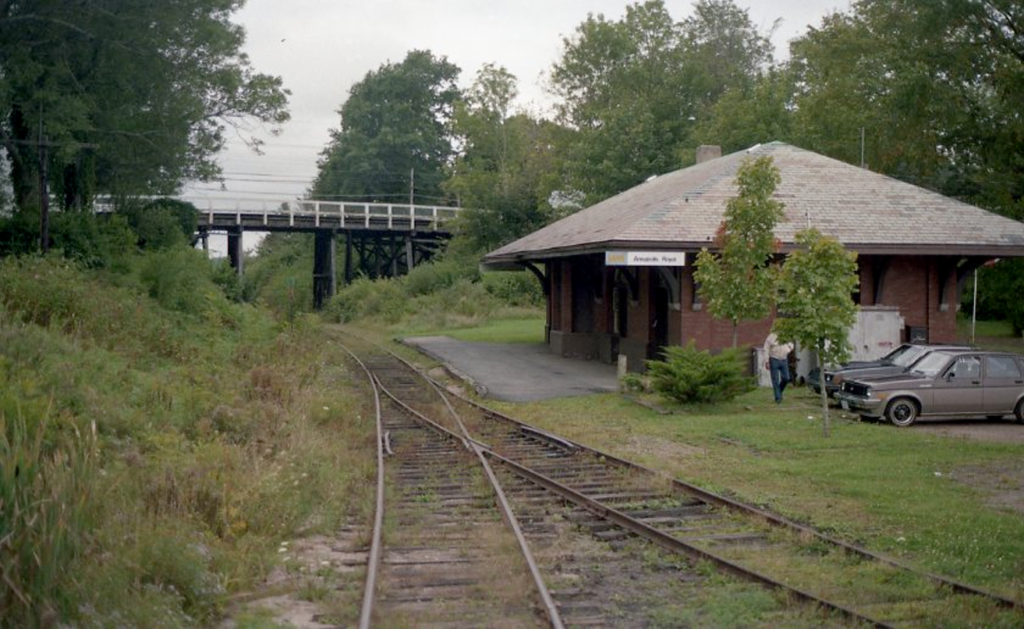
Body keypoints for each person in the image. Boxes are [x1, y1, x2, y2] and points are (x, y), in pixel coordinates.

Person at [764, 331, 794, 403]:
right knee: (775, 380)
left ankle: (779, 392)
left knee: (786, 378)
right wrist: (766, 361)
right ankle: (778, 398)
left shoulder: (786, 336)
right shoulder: (771, 336)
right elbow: (766, 349)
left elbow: (791, 344)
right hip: (774, 358)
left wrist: (788, 349)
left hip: (783, 359)